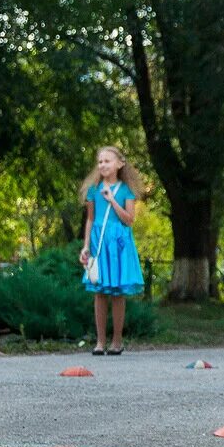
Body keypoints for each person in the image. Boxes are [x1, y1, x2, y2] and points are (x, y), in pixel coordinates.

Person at [78, 146, 145, 355]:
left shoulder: (126, 190)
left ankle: (117, 341)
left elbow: (129, 220)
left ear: (119, 164)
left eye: (107, 161)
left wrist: (112, 199)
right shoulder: (93, 190)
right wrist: (86, 246)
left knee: (117, 293)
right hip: (99, 242)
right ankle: (100, 342)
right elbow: (90, 219)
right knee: (99, 292)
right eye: (100, 162)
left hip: (119, 244)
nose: (103, 165)